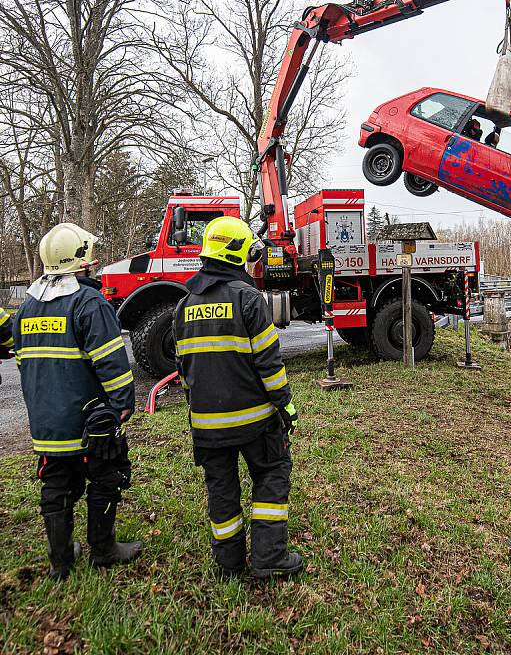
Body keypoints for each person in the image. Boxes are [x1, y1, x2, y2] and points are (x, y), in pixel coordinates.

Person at [173, 216, 303, 579]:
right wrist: (285, 405)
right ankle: (269, 558)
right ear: (237, 254)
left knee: (222, 490)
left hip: (207, 427)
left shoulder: (184, 305)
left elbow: (185, 372)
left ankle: (228, 564)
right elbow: (270, 363)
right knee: (272, 475)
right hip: (255, 422)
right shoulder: (247, 299)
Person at [13, 223, 141, 579]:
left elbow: (25, 367)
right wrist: (120, 405)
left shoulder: (27, 308)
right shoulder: (88, 303)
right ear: (81, 262)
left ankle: (60, 561)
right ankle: (103, 550)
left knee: (56, 486)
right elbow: (112, 362)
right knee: (106, 477)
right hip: (90, 422)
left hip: (47, 424)